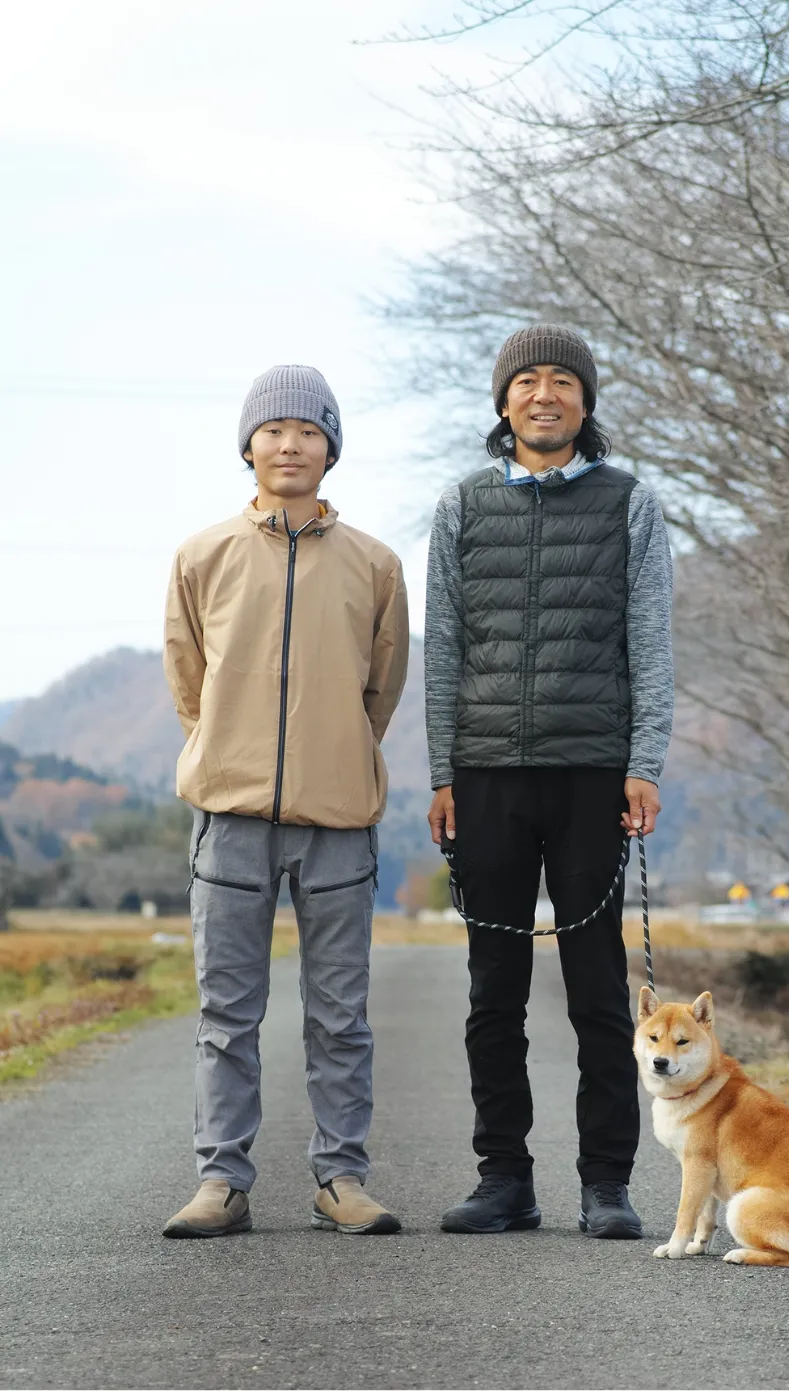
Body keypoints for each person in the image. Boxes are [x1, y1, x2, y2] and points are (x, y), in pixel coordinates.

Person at [425, 325, 673, 1237]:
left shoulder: (629, 503)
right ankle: (505, 1178)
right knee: (493, 987)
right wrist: (442, 770)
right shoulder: (461, 505)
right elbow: (442, 647)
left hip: (592, 774)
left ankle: (606, 1181)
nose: (543, 394)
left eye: (561, 381)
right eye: (526, 380)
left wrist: (644, 763)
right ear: (503, 403)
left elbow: (650, 644)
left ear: (584, 401)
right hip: (486, 775)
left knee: (597, 986)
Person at [162, 365, 409, 1238]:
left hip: (339, 820)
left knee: (340, 1015)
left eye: (310, 430)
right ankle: (220, 1183)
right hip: (227, 818)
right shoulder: (202, 555)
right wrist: (222, 750)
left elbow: (383, 688)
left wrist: (333, 752)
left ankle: (341, 1178)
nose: (291, 443)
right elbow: (189, 679)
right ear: (249, 446)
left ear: (332, 448)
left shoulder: (375, 563)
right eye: (274, 430)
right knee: (226, 1014)